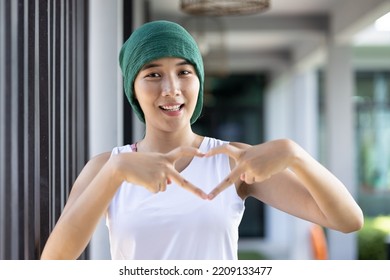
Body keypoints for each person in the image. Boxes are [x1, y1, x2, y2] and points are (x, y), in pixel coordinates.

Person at [40, 20, 363, 260]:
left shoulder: (232, 160)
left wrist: (296, 156)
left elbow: (347, 221)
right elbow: (53, 264)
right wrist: (114, 172)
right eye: (152, 74)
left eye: (184, 72)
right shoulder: (108, 166)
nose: (171, 88)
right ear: (133, 90)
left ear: (199, 81)